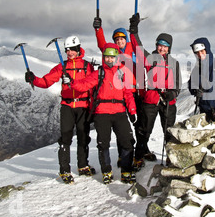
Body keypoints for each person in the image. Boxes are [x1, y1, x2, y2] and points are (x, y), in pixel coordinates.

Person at [25, 36, 95, 184]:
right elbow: (46, 81)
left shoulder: (87, 66)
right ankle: (64, 170)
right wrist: (34, 79)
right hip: (67, 106)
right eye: (66, 50)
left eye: (71, 49)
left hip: (83, 106)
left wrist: (74, 83)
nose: (68, 52)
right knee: (65, 138)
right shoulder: (62, 67)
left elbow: (89, 85)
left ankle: (83, 165)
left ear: (77, 49)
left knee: (83, 137)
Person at [66, 43, 137, 184]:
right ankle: (106, 171)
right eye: (107, 57)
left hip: (120, 111)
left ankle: (126, 171)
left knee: (127, 142)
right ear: (103, 58)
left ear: (116, 57)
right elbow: (84, 84)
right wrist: (71, 82)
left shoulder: (122, 72)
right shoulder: (98, 73)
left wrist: (132, 110)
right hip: (102, 112)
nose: (109, 60)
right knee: (103, 143)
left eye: (112, 57)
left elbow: (128, 93)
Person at [128, 13, 182, 166]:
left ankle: (171, 159)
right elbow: (138, 48)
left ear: (169, 48)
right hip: (151, 99)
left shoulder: (174, 63)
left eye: (165, 46)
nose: (161, 48)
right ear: (156, 45)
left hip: (168, 101)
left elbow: (178, 82)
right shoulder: (149, 58)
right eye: (160, 44)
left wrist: (174, 92)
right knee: (144, 130)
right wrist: (134, 31)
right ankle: (138, 157)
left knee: (170, 132)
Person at [93, 17, 144, 169]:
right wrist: (98, 30)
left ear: (126, 40)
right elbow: (102, 45)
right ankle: (124, 156)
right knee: (123, 128)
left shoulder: (131, 48)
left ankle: (138, 154)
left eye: (122, 39)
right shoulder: (112, 53)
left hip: (134, 92)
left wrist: (134, 28)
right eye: (117, 39)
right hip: (121, 94)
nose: (119, 41)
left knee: (138, 125)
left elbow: (137, 44)